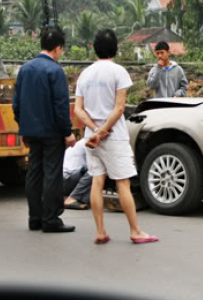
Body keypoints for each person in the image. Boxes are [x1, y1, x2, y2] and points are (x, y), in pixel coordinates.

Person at [75, 29, 157, 245]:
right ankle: (135, 231)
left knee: (97, 182)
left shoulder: (85, 74)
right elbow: (120, 108)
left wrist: (94, 130)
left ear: (93, 48)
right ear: (115, 49)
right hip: (114, 137)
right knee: (122, 183)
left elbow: (78, 110)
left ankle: (100, 231)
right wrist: (103, 131)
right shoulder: (119, 72)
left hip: (91, 138)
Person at [13, 26, 76, 233]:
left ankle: (35, 217)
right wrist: (67, 131)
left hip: (31, 131)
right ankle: (51, 219)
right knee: (52, 174)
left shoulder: (25, 69)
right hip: (51, 132)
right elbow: (60, 105)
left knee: (34, 172)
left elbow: (17, 104)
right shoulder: (55, 70)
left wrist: (23, 127)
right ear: (57, 48)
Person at [63, 141, 91, 210]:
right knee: (95, 170)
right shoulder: (89, 141)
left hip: (65, 180)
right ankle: (72, 199)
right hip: (66, 180)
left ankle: (72, 197)